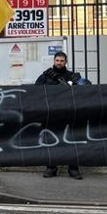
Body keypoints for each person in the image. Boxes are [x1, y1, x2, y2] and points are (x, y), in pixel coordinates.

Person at [35, 51, 86, 179]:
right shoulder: (45, 76)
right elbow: (35, 91)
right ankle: (51, 168)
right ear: (54, 61)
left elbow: (86, 90)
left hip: (70, 114)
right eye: (57, 60)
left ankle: (73, 169)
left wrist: (79, 82)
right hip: (51, 114)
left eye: (62, 61)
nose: (59, 63)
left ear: (65, 62)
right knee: (51, 141)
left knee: (72, 141)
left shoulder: (72, 76)